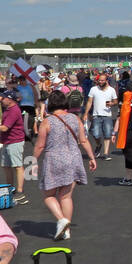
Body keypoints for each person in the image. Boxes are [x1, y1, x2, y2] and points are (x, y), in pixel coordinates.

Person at [32, 90, 96, 240]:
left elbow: (40, 145)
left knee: (48, 195)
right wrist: (92, 157)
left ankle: (62, 220)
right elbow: (84, 140)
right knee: (66, 196)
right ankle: (66, 230)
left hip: (55, 158)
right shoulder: (74, 118)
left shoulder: (47, 122)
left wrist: (32, 160)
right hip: (73, 158)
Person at [0, 89, 30, 205]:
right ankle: (10, 188)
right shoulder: (8, 110)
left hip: (15, 141)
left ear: (9, 99)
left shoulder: (13, 110)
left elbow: (5, 128)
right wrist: (0, 130)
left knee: (17, 165)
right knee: (6, 166)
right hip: (8, 140)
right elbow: (5, 126)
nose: (1, 100)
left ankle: (20, 192)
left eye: (3, 98)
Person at [86, 74, 118, 161]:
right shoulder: (93, 89)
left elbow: (115, 101)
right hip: (96, 115)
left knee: (107, 134)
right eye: (99, 80)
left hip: (107, 115)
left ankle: (106, 153)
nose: (100, 82)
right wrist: (86, 113)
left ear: (106, 80)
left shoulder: (111, 90)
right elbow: (89, 102)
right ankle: (98, 145)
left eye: (102, 80)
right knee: (96, 134)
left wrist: (112, 103)